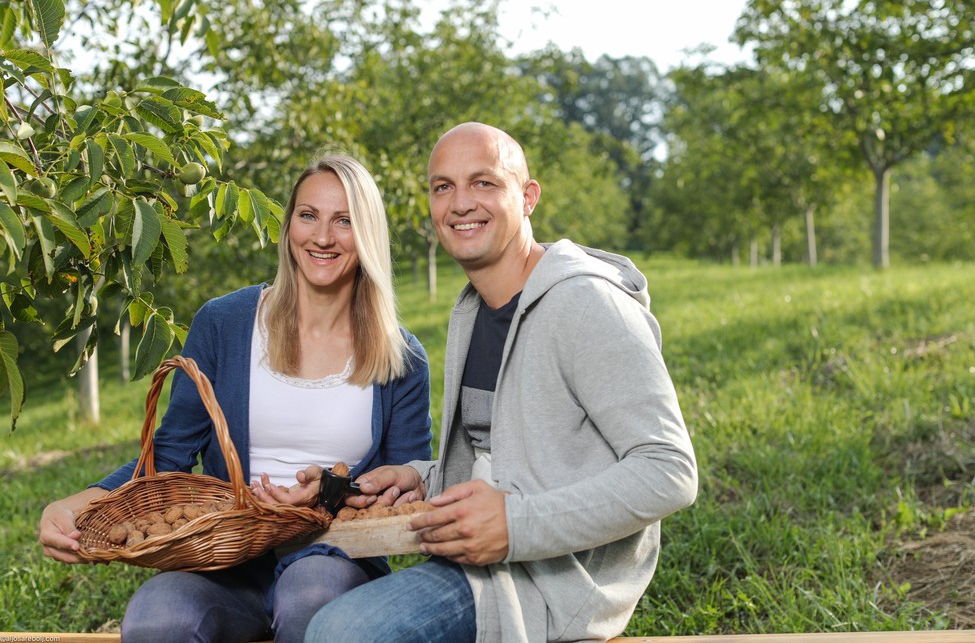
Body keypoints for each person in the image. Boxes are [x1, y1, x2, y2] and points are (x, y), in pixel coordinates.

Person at [304, 122, 698, 642]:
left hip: (556, 582)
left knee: (341, 633)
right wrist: (422, 478)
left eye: (484, 183)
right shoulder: (472, 309)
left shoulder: (587, 305)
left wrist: (516, 525)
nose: (460, 203)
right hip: (482, 562)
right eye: (443, 186)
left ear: (528, 197)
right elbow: (512, 455)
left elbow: (669, 471)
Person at [38, 153, 433, 643]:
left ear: (368, 234)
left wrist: (330, 494)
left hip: (333, 559)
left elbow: (409, 484)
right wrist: (77, 504)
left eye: (344, 221)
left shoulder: (401, 356)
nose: (323, 237)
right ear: (289, 225)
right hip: (227, 557)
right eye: (308, 215)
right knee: (159, 615)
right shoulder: (225, 323)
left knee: (310, 596)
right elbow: (170, 453)